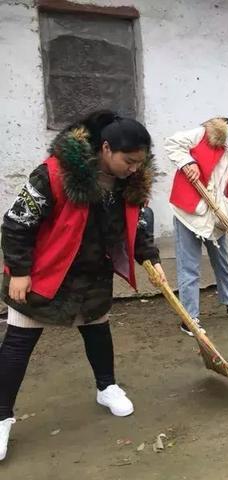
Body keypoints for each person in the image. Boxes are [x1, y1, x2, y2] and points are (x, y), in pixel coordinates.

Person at [0, 110, 166, 461]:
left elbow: (135, 226)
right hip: (46, 272)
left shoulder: (128, 184)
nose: (134, 168)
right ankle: (1, 416)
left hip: (92, 274)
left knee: (97, 331)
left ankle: (106, 387)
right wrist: (19, 270)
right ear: (105, 148)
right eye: (129, 160)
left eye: (140, 162)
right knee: (18, 345)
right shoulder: (54, 173)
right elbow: (17, 222)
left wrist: (150, 258)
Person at [166, 107, 228, 336]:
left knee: (222, 261)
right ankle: (189, 318)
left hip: (219, 214)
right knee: (188, 267)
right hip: (189, 211)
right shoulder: (205, 134)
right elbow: (173, 143)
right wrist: (187, 162)